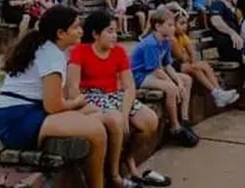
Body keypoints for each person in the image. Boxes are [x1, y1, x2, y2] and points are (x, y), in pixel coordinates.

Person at [0, 6, 107, 188]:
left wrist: (77, 106)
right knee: (96, 131)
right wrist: (76, 103)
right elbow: (53, 106)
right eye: (76, 27)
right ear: (61, 33)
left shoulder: (49, 48)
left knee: (96, 113)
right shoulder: (51, 54)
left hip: (29, 113)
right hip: (19, 122)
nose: (81, 31)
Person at [67, 11, 171, 188]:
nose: (115, 35)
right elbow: (73, 87)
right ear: (95, 34)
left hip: (114, 96)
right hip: (90, 96)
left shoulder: (119, 52)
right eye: (109, 31)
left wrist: (125, 112)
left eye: (115, 31)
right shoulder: (80, 52)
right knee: (115, 122)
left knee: (150, 120)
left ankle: (128, 157)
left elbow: (129, 86)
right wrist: (85, 105)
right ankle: (114, 175)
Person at [129, 7, 199, 146]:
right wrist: (173, 84)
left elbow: (167, 65)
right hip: (140, 76)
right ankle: (175, 127)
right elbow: (156, 70)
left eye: (173, 25)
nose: (173, 28)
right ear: (158, 26)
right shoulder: (150, 43)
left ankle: (184, 119)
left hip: (153, 73)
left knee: (187, 80)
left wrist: (179, 81)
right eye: (170, 25)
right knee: (171, 89)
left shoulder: (166, 41)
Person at [168, 4, 239, 108]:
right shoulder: (172, 39)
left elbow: (192, 52)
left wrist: (193, 61)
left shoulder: (183, 36)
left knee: (203, 65)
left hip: (184, 64)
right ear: (173, 24)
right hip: (173, 66)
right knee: (196, 68)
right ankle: (217, 94)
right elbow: (181, 58)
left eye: (186, 23)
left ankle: (219, 93)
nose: (185, 27)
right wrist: (190, 60)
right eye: (181, 24)